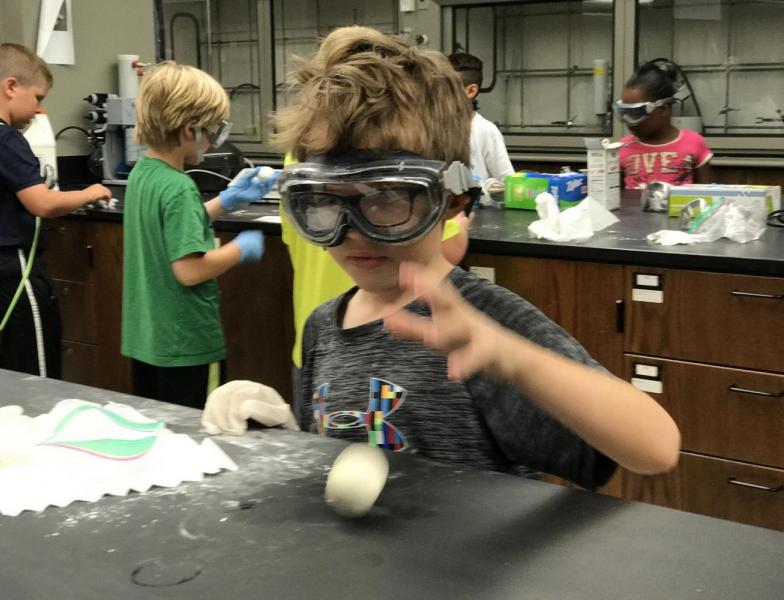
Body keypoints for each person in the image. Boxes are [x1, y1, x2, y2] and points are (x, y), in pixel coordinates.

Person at [265, 26, 679, 489]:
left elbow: (656, 446)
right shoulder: (323, 326)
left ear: (453, 201)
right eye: (322, 201)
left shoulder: (481, 323)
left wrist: (507, 356)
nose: (351, 232)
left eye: (387, 197)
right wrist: (278, 434)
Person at [121, 62, 277, 408]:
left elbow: (169, 228)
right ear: (191, 129)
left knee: (161, 434)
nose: (213, 141)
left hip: (149, 341)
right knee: (199, 435)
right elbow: (189, 270)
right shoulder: (180, 187)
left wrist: (224, 202)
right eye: (213, 131)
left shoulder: (142, 175)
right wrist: (241, 248)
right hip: (187, 345)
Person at [0, 43, 111, 378]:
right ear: (11, 87)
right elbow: (42, 203)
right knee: (35, 376)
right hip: (14, 271)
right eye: (38, 98)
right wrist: (88, 193)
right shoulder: (4, 138)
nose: (39, 110)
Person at [615, 60, 712, 189]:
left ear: (662, 109)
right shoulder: (623, 148)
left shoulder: (693, 143)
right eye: (624, 112)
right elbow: (615, 197)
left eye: (635, 113)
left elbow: (705, 195)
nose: (628, 121)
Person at [448, 52, 514, 204]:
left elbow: (508, 182)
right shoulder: (428, 127)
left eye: (448, 88)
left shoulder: (484, 129)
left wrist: (486, 188)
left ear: (471, 91)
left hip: (475, 216)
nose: (438, 94)